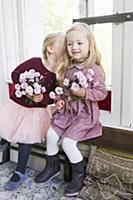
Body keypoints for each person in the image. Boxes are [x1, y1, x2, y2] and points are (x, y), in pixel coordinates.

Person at [35, 22, 108, 197]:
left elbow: (101, 93)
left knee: (68, 143)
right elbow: (62, 89)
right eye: (70, 44)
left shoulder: (94, 70)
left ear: (90, 45)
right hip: (67, 112)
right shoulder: (67, 68)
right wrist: (59, 100)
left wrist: (84, 92)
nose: (74, 47)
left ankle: (79, 177)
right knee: (51, 135)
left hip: (84, 115)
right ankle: (51, 167)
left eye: (79, 43)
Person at [0, 32, 65, 190]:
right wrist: (24, 88)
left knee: (25, 139)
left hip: (35, 113)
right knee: (6, 128)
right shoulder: (35, 62)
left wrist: (42, 98)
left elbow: (53, 97)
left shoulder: (60, 73)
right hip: (16, 106)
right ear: (50, 48)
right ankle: (3, 143)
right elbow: (15, 74)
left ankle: (20, 172)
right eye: (64, 44)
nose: (68, 47)